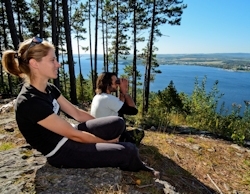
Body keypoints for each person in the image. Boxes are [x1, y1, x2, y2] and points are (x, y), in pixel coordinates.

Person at [1, 37, 159, 176]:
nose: (58, 63)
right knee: (128, 150)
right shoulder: (30, 101)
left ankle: (116, 145)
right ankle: (139, 166)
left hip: (71, 134)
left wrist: (100, 127)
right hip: (62, 151)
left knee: (117, 122)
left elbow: (76, 112)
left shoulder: (48, 88)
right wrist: (107, 142)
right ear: (34, 64)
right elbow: (74, 136)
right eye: (52, 60)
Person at [90, 72, 145, 145]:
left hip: (101, 133)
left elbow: (120, 107)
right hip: (111, 137)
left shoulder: (98, 97)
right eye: (115, 82)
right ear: (108, 83)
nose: (117, 84)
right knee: (140, 132)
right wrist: (125, 92)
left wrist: (121, 93)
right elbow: (133, 111)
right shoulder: (108, 99)